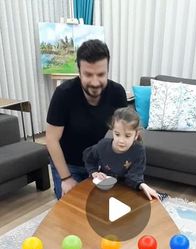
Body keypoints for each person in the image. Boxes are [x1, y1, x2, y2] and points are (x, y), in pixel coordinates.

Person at [46, 39, 127, 199]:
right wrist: (66, 178)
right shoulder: (63, 94)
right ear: (79, 71)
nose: (95, 82)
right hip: (68, 165)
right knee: (72, 211)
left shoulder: (117, 93)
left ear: (108, 71)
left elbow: (123, 132)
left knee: (103, 207)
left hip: (100, 164)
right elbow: (51, 139)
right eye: (88, 74)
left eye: (101, 74)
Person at [83, 107, 168, 201]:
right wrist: (93, 171)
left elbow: (135, 176)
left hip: (128, 187)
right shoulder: (102, 145)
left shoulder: (138, 150)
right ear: (112, 131)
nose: (121, 141)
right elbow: (89, 158)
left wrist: (142, 185)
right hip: (106, 186)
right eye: (117, 134)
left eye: (127, 136)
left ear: (136, 135)